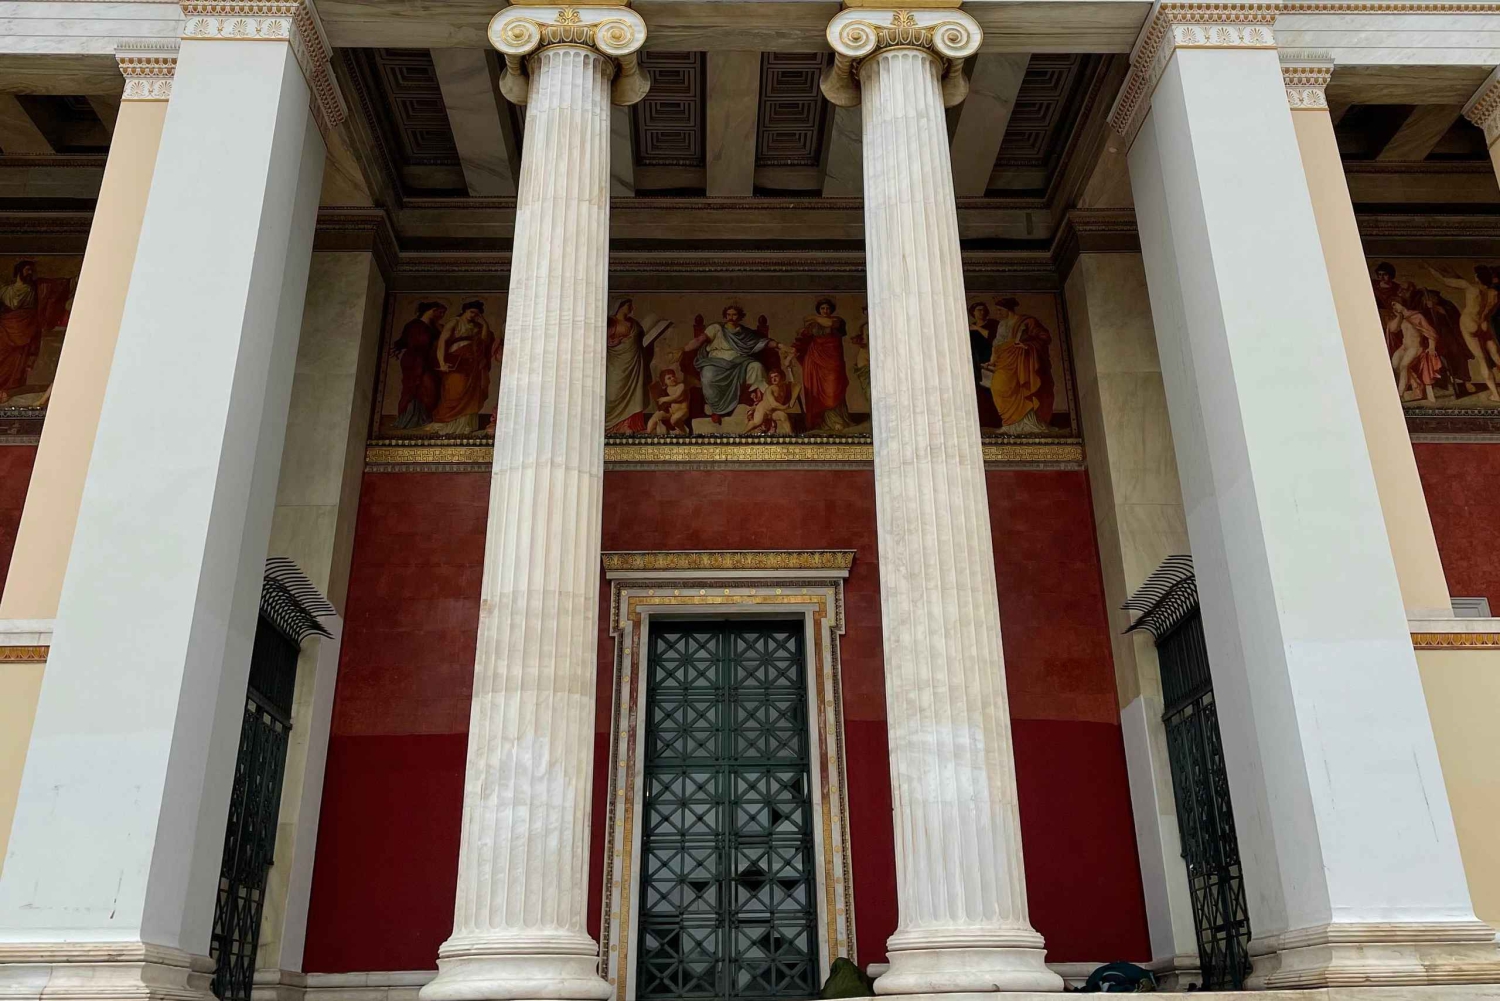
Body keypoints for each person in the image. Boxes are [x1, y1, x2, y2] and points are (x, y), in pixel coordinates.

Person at [1426, 263, 1500, 402]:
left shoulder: (1471, 287)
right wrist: (1453, 272)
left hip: (1470, 324)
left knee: (1482, 360)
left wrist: (1428, 267)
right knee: (1497, 356)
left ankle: (1496, 395)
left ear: (1477, 276)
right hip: (1484, 324)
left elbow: (1443, 280)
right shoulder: (1494, 293)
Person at [685, 305, 772, 423]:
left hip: (739, 362)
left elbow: (763, 342)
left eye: (734, 315)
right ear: (725, 316)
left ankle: (761, 405)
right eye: (728, 315)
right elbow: (698, 340)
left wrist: (780, 346)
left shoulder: (744, 333)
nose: (731, 317)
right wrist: (683, 349)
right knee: (708, 374)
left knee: (757, 367)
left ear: (740, 317)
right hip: (716, 362)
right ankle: (717, 410)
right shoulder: (716, 328)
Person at [0, 260, 70, 401]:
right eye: (27, 269)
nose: (31, 272)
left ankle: (7, 390)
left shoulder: (38, 289)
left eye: (32, 270)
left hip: (27, 328)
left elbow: (58, 287)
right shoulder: (5, 290)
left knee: (18, 361)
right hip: (7, 329)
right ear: (19, 271)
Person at [428, 300, 500, 435]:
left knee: (472, 392)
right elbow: (442, 341)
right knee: (454, 391)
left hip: (472, 364)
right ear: (465, 311)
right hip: (457, 361)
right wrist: (442, 362)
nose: (473, 315)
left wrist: (484, 323)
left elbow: (484, 341)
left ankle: (465, 425)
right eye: (471, 312)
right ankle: (446, 424)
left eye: (477, 314)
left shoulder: (477, 326)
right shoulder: (455, 322)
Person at [986, 296, 1055, 433]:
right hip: (1005, 360)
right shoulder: (1002, 325)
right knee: (998, 387)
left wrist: (1027, 344)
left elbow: (1044, 337)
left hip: (1023, 359)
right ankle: (1009, 424)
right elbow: (997, 345)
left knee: (1023, 388)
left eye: (1000, 310)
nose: (998, 313)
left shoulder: (1028, 321)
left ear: (1008, 309)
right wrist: (992, 360)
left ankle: (1028, 423)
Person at [794, 297, 852, 432]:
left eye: (827, 308)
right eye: (822, 308)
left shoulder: (838, 321)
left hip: (833, 360)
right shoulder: (814, 325)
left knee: (833, 389)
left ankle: (838, 419)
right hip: (815, 359)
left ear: (831, 310)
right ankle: (822, 421)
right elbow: (801, 336)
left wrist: (812, 317)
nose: (825, 311)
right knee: (817, 392)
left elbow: (829, 324)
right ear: (819, 310)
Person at [393, 300, 446, 429]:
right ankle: (409, 419)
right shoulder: (415, 325)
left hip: (427, 360)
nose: (442, 315)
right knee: (414, 388)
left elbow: (443, 340)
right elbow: (415, 343)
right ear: (432, 311)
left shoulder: (434, 327)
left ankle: (424, 418)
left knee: (431, 389)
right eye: (440, 312)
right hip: (414, 360)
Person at [605, 298, 652, 433]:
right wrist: (614, 342)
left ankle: (628, 425)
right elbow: (603, 340)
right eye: (628, 305)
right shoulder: (611, 322)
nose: (631, 308)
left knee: (634, 393)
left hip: (634, 363)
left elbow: (642, 340)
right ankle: (610, 424)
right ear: (620, 306)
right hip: (616, 362)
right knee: (613, 393)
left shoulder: (634, 324)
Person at [1388, 300, 1442, 403]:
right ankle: (1416, 384)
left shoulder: (1417, 316)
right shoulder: (1401, 318)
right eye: (1392, 305)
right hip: (1404, 347)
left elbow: (1430, 332)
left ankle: (1400, 394)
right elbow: (1392, 330)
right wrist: (1399, 317)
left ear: (1401, 303)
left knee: (1403, 365)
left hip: (1416, 347)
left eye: (1395, 304)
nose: (1394, 307)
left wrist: (1431, 346)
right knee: (1394, 364)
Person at [968, 301, 1004, 428]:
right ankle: (982, 422)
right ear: (973, 312)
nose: (981, 312)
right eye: (979, 310)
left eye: (983, 309)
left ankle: (996, 421)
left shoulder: (993, 324)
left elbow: (995, 339)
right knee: (980, 391)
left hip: (991, 359)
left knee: (994, 389)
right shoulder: (970, 327)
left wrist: (977, 328)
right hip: (976, 362)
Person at [646, 368, 690, 435]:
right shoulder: (666, 389)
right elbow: (661, 403)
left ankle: (683, 432)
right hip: (671, 412)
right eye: (669, 378)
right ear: (664, 382)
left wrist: (663, 399)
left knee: (674, 419)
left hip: (683, 411)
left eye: (673, 376)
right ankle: (648, 433)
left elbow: (677, 397)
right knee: (656, 416)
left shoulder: (681, 386)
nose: (672, 378)